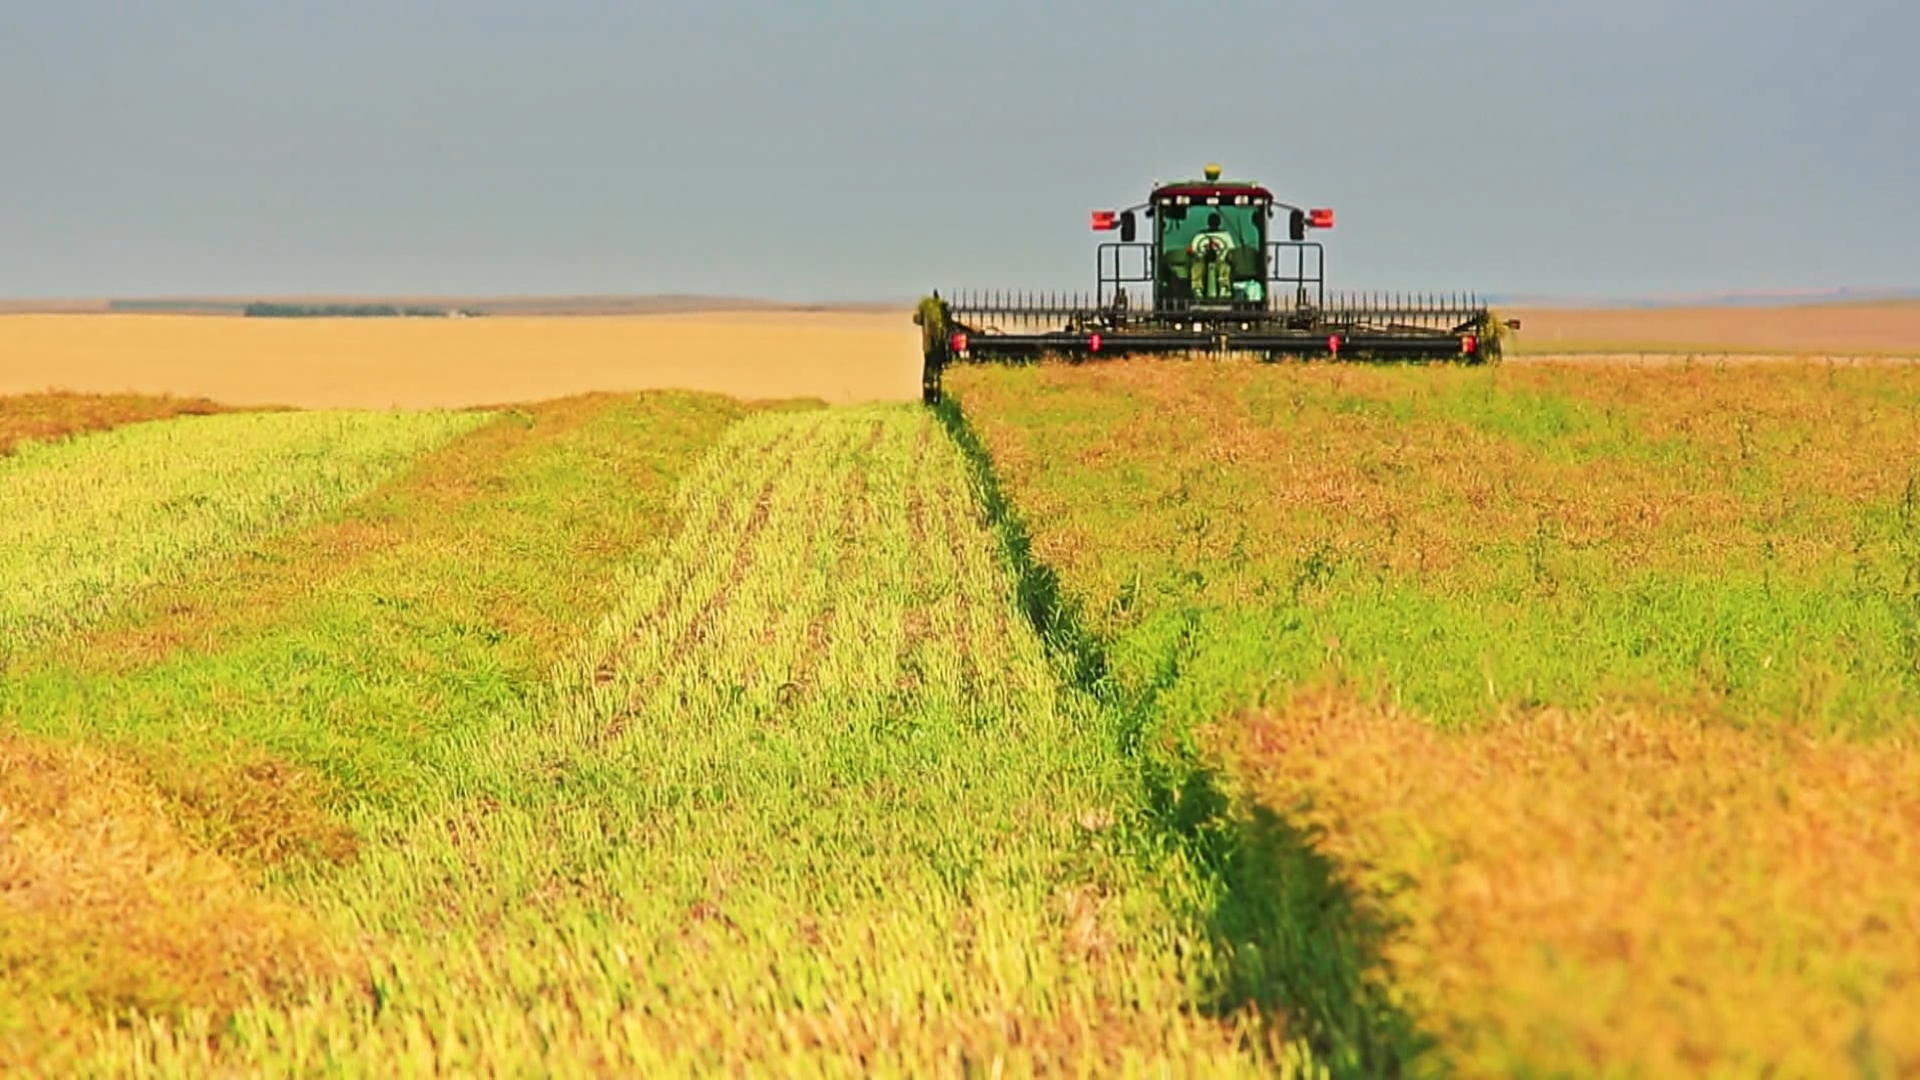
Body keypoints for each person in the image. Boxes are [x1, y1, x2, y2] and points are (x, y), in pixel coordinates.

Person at [1187, 212, 1236, 299]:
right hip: (1203, 260)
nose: (1214, 223)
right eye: (1212, 221)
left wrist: (1229, 259)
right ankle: (1197, 289)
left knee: (1225, 266)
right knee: (1197, 266)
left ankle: (1224, 288)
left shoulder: (1225, 236)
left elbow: (1230, 252)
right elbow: (1193, 252)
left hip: (1220, 261)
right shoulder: (1199, 236)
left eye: (1215, 221)